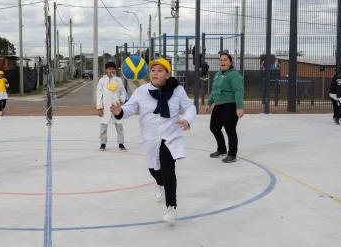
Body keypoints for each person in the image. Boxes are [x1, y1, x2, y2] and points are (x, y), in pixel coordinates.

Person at [110, 58, 196, 225]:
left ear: (167, 74)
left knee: (168, 168)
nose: (155, 73)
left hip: (170, 135)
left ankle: (171, 208)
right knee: (153, 169)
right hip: (150, 136)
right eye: (153, 70)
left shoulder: (177, 91)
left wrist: (187, 119)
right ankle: (159, 182)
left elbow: (190, 107)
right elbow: (130, 108)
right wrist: (120, 111)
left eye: (160, 70)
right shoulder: (142, 91)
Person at [205, 52, 244, 162]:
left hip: (230, 105)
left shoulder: (234, 75)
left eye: (225, 60)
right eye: (221, 60)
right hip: (218, 105)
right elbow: (214, 90)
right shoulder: (218, 74)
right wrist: (209, 103)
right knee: (214, 127)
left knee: (230, 130)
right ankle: (222, 149)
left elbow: (238, 91)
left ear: (230, 62)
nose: (222, 62)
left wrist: (239, 107)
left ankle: (232, 154)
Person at [96, 61, 128, 151]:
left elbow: (123, 91)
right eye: (110, 69)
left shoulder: (118, 80)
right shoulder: (102, 81)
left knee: (119, 126)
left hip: (116, 107)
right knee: (103, 126)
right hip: (105, 108)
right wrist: (99, 107)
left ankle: (121, 144)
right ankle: (102, 144)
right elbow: (99, 94)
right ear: (106, 70)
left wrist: (122, 100)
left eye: (113, 69)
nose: (112, 70)